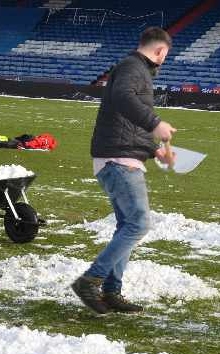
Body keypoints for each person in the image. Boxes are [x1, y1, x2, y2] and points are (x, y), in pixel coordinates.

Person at [71, 27, 176, 314]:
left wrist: (154, 151)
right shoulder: (132, 68)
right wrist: (156, 124)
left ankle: (112, 292)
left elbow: (129, 125)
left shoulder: (135, 69)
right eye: (166, 55)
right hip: (118, 162)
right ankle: (90, 280)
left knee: (126, 226)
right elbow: (122, 97)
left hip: (120, 158)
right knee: (138, 224)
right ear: (161, 51)